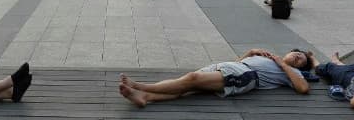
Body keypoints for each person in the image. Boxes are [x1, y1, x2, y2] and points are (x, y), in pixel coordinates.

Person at [118, 48, 311, 107]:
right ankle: (145, 97)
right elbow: (238, 62)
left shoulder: (293, 72)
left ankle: (141, 86)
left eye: (301, 59)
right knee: (185, 84)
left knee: (191, 79)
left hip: (247, 76)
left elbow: (303, 88)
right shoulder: (271, 57)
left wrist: (284, 64)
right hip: (233, 67)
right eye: (296, 53)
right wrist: (251, 53)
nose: (297, 57)